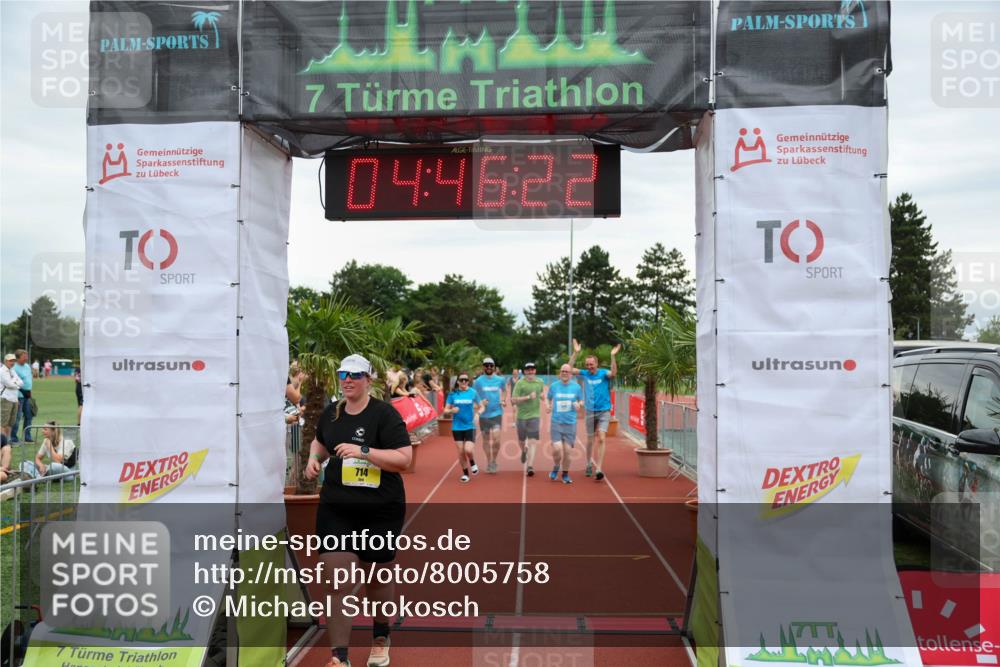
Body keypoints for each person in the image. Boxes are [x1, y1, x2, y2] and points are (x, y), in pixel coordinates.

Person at [303, 354, 412, 667]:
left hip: (380, 510)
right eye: (343, 374)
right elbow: (320, 443)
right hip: (337, 509)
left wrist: (364, 452)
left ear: (369, 380)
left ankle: (380, 636)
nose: (347, 380)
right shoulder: (332, 414)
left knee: (376, 577)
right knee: (335, 578)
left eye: (355, 375)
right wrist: (314, 459)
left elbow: (404, 459)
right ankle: (339, 656)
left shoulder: (384, 415)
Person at [569, 339, 620, 481]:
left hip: (604, 410)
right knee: (590, 440)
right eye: (587, 365)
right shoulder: (585, 374)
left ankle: (599, 468)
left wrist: (613, 356)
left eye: (592, 364)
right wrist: (575, 353)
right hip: (590, 411)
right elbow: (568, 368)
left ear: (596, 364)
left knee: (602, 438)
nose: (589, 367)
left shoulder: (603, 373)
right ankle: (588, 464)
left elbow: (614, 373)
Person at [547, 364, 584, 484]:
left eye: (567, 371)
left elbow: (581, 400)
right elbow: (548, 398)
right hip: (556, 422)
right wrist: (548, 405)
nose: (564, 373)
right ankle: (556, 466)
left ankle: (565, 474)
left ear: (571, 374)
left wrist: (580, 405)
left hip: (570, 423)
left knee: (567, 452)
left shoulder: (577, 387)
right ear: (560, 373)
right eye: (562, 371)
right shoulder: (553, 386)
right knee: (557, 449)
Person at [444, 373, 483, 482]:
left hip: (470, 426)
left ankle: (472, 461)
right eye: (462, 380)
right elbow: (445, 410)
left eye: (466, 380)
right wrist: (452, 410)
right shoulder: (452, 394)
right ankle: (465, 473)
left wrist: (478, 414)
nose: (464, 382)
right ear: (458, 381)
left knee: (468, 450)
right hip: (457, 427)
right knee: (461, 452)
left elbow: (482, 406)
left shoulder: (473, 392)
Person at [472, 357, 506, 474]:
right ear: (483, 367)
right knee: (486, 440)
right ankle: (488, 461)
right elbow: (474, 397)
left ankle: (494, 461)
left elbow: (504, 391)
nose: (489, 367)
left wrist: (503, 399)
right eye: (486, 365)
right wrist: (480, 404)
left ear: (494, 367)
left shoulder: (500, 380)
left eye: (491, 365)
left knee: (496, 439)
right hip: (484, 416)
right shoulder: (478, 382)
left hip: (497, 413)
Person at [511, 363, 545, 477]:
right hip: (521, 417)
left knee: (532, 441)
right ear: (525, 372)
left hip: (535, 416)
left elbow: (541, 393)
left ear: (535, 371)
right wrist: (527, 397)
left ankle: (530, 466)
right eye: (528, 370)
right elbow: (513, 400)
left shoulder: (540, 382)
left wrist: (542, 397)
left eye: (532, 369)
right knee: (521, 441)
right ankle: (523, 451)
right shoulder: (520, 383)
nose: (530, 372)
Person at [11, 350, 34, 443]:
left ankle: (27, 437)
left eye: (27, 356)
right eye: (24, 356)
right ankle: (13, 438)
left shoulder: (27, 366)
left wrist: (29, 391)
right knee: (17, 417)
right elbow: (12, 381)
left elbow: (29, 379)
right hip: (18, 396)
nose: (26, 358)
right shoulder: (14, 368)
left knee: (29, 415)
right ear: (18, 358)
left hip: (27, 395)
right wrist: (22, 390)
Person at [1, 354, 23, 444]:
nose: (12, 362)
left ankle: (8, 440)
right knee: (3, 422)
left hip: (14, 399)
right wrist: (16, 383)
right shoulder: (2, 371)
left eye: (13, 361)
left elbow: (21, 382)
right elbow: (9, 384)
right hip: (5, 399)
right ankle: (2, 442)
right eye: (10, 361)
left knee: (11, 422)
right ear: (5, 361)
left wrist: (15, 383)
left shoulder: (12, 370)